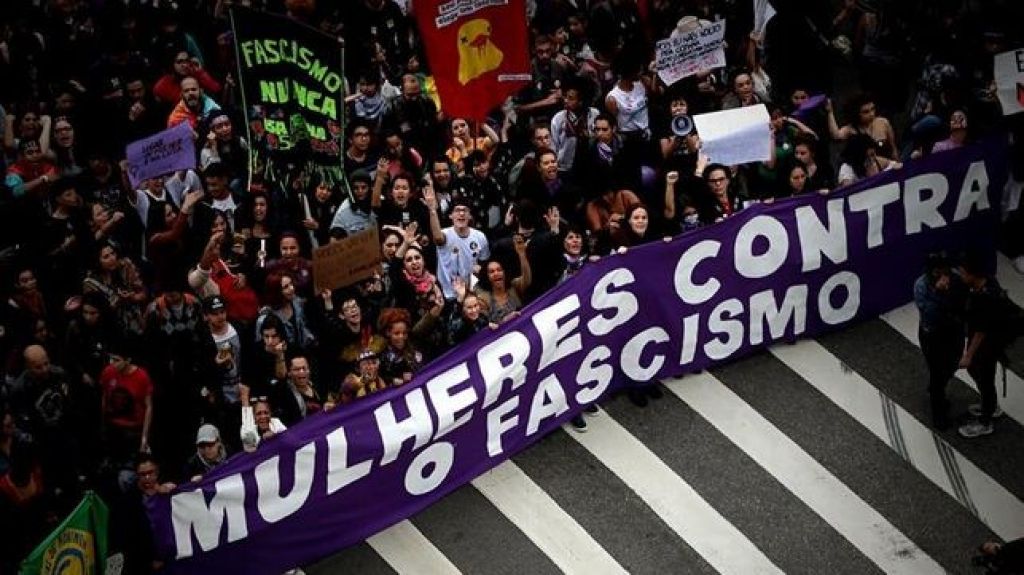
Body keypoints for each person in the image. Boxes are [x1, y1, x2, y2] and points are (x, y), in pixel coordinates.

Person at [957, 254, 1009, 438]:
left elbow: (981, 331)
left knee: (985, 380)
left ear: (973, 274)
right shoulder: (984, 286)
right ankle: (990, 405)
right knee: (977, 374)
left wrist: (968, 354)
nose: (961, 275)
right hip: (986, 342)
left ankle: (986, 420)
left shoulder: (986, 298)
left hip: (987, 347)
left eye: (963, 273)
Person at [913, 253, 965, 430]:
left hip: (953, 332)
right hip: (933, 335)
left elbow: (962, 304)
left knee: (951, 365)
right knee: (937, 371)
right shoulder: (922, 286)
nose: (943, 276)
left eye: (945, 271)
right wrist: (938, 292)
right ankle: (938, 411)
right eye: (937, 272)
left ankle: (938, 387)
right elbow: (929, 313)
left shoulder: (956, 280)